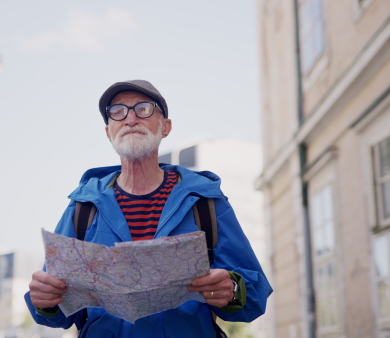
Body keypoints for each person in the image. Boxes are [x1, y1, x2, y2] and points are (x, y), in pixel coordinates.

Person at [24, 80, 272, 337]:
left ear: (166, 127)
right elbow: (57, 311)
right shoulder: (82, 207)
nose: (130, 118)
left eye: (143, 109)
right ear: (109, 132)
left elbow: (254, 299)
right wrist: (46, 300)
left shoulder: (205, 201)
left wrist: (232, 289)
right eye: (117, 112)